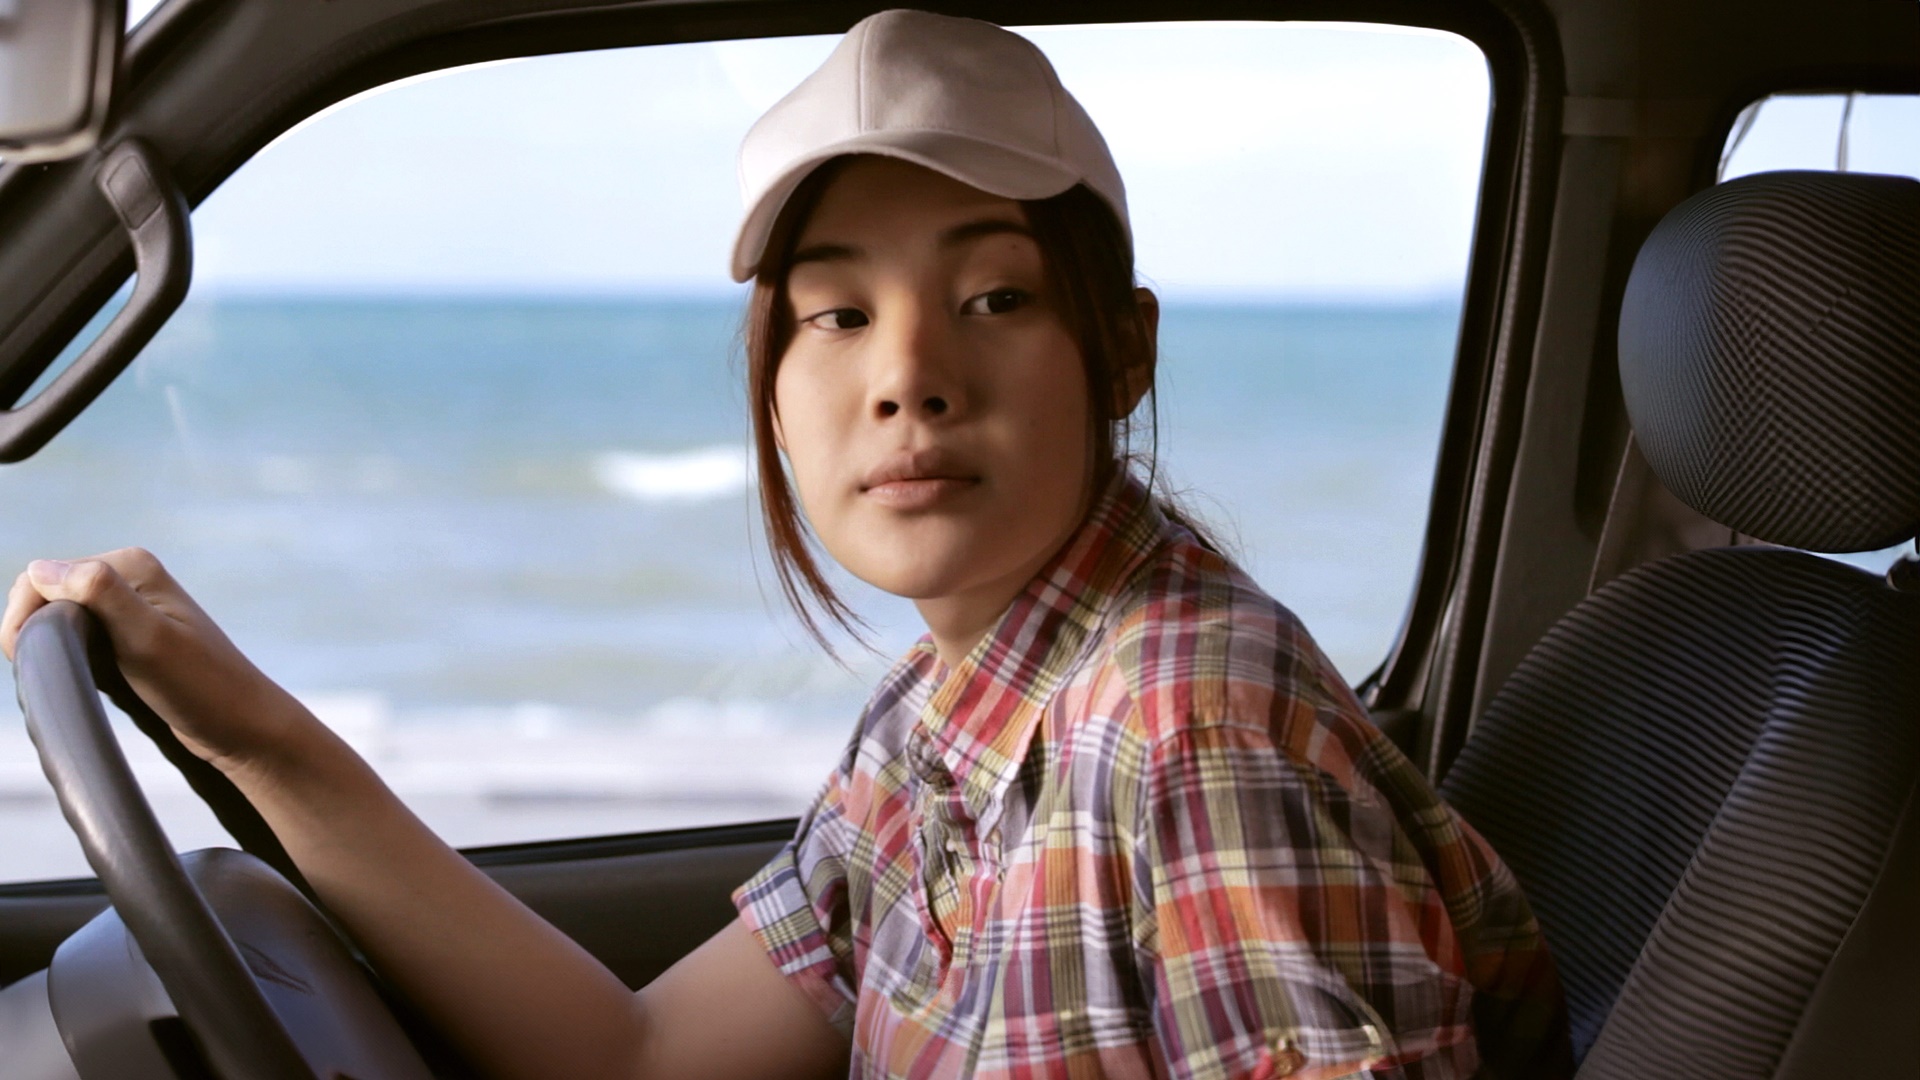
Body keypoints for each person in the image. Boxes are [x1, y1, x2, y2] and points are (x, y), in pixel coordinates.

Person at [1, 10, 1567, 1079]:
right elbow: (640, 1057)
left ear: (1124, 351)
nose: (909, 375)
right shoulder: (944, 723)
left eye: (995, 297)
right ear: (772, 383)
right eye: (837, 313)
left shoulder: (1188, 732)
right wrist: (252, 731)